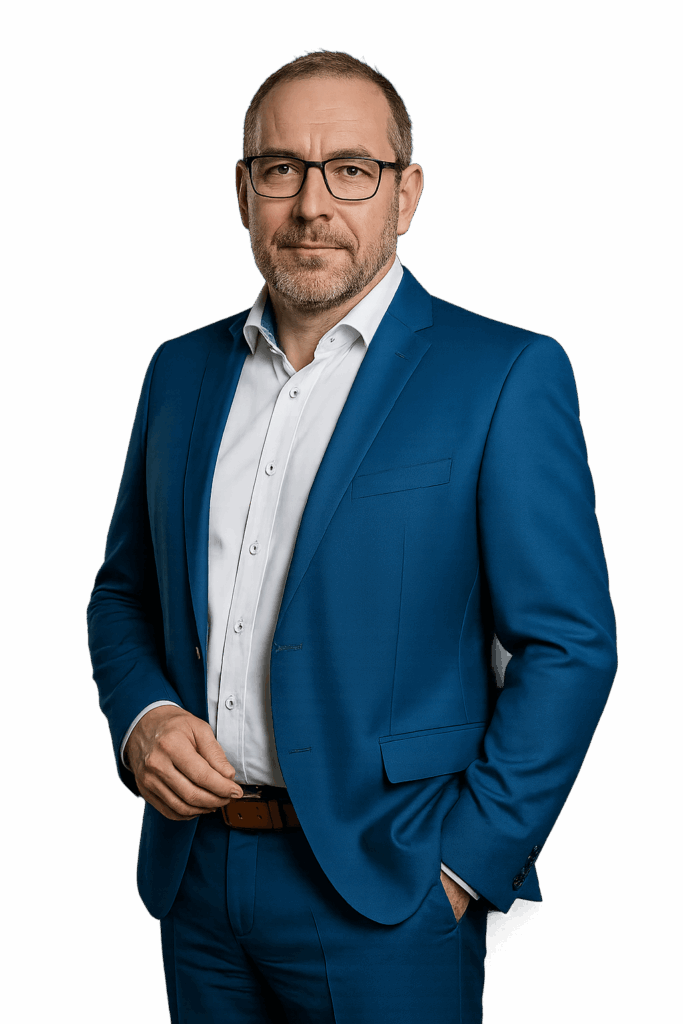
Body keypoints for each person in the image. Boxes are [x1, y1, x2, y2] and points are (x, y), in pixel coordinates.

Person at [87, 50, 617, 1024]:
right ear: (242, 192)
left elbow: (568, 643)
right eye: (281, 169)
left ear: (403, 195)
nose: (311, 205)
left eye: (350, 170)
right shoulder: (178, 372)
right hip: (195, 880)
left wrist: (465, 864)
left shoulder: (501, 376)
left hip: (388, 890)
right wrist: (144, 718)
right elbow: (123, 590)